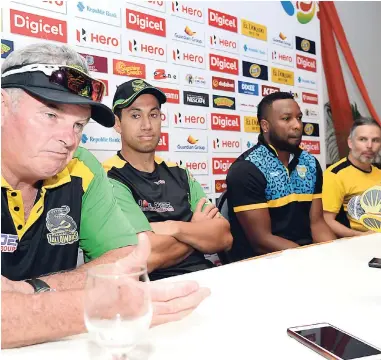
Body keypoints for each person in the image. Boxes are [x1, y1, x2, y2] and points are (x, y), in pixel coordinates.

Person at [1, 43, 210, 349]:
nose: (68, 139)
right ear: (3, 106)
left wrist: (32, 291)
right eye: (50, 114)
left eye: (78, 125)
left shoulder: (81, 166)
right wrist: (98, 301)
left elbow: (124, 260)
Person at [103, 79, 232, 281]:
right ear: (118, 123)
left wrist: (175, 227)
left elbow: (224, 237)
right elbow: (146, 256)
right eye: (135, 115)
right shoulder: (109, 176)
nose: (147, 125)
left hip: (206, 277)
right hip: (151, 291)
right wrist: (197, 230)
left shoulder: (179, 173)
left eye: (153, 115)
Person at [226, 92, 336, 261]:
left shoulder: (310, 163)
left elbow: (317, 224)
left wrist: (335, 256)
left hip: (306, 256)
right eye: (286, 119)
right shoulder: (247, 169)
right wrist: (312, 259)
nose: (297, 125)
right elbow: (261, 241)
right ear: (265, 125)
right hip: (263, 264)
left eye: (299, 118)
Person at [323, 117, 381, 237]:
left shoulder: (378, 172)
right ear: (350, 142)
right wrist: (359, 236)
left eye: (375, 140)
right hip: (359, 243)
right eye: (363, 139)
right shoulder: (335, 174)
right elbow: (327, 220)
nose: (369, 146)